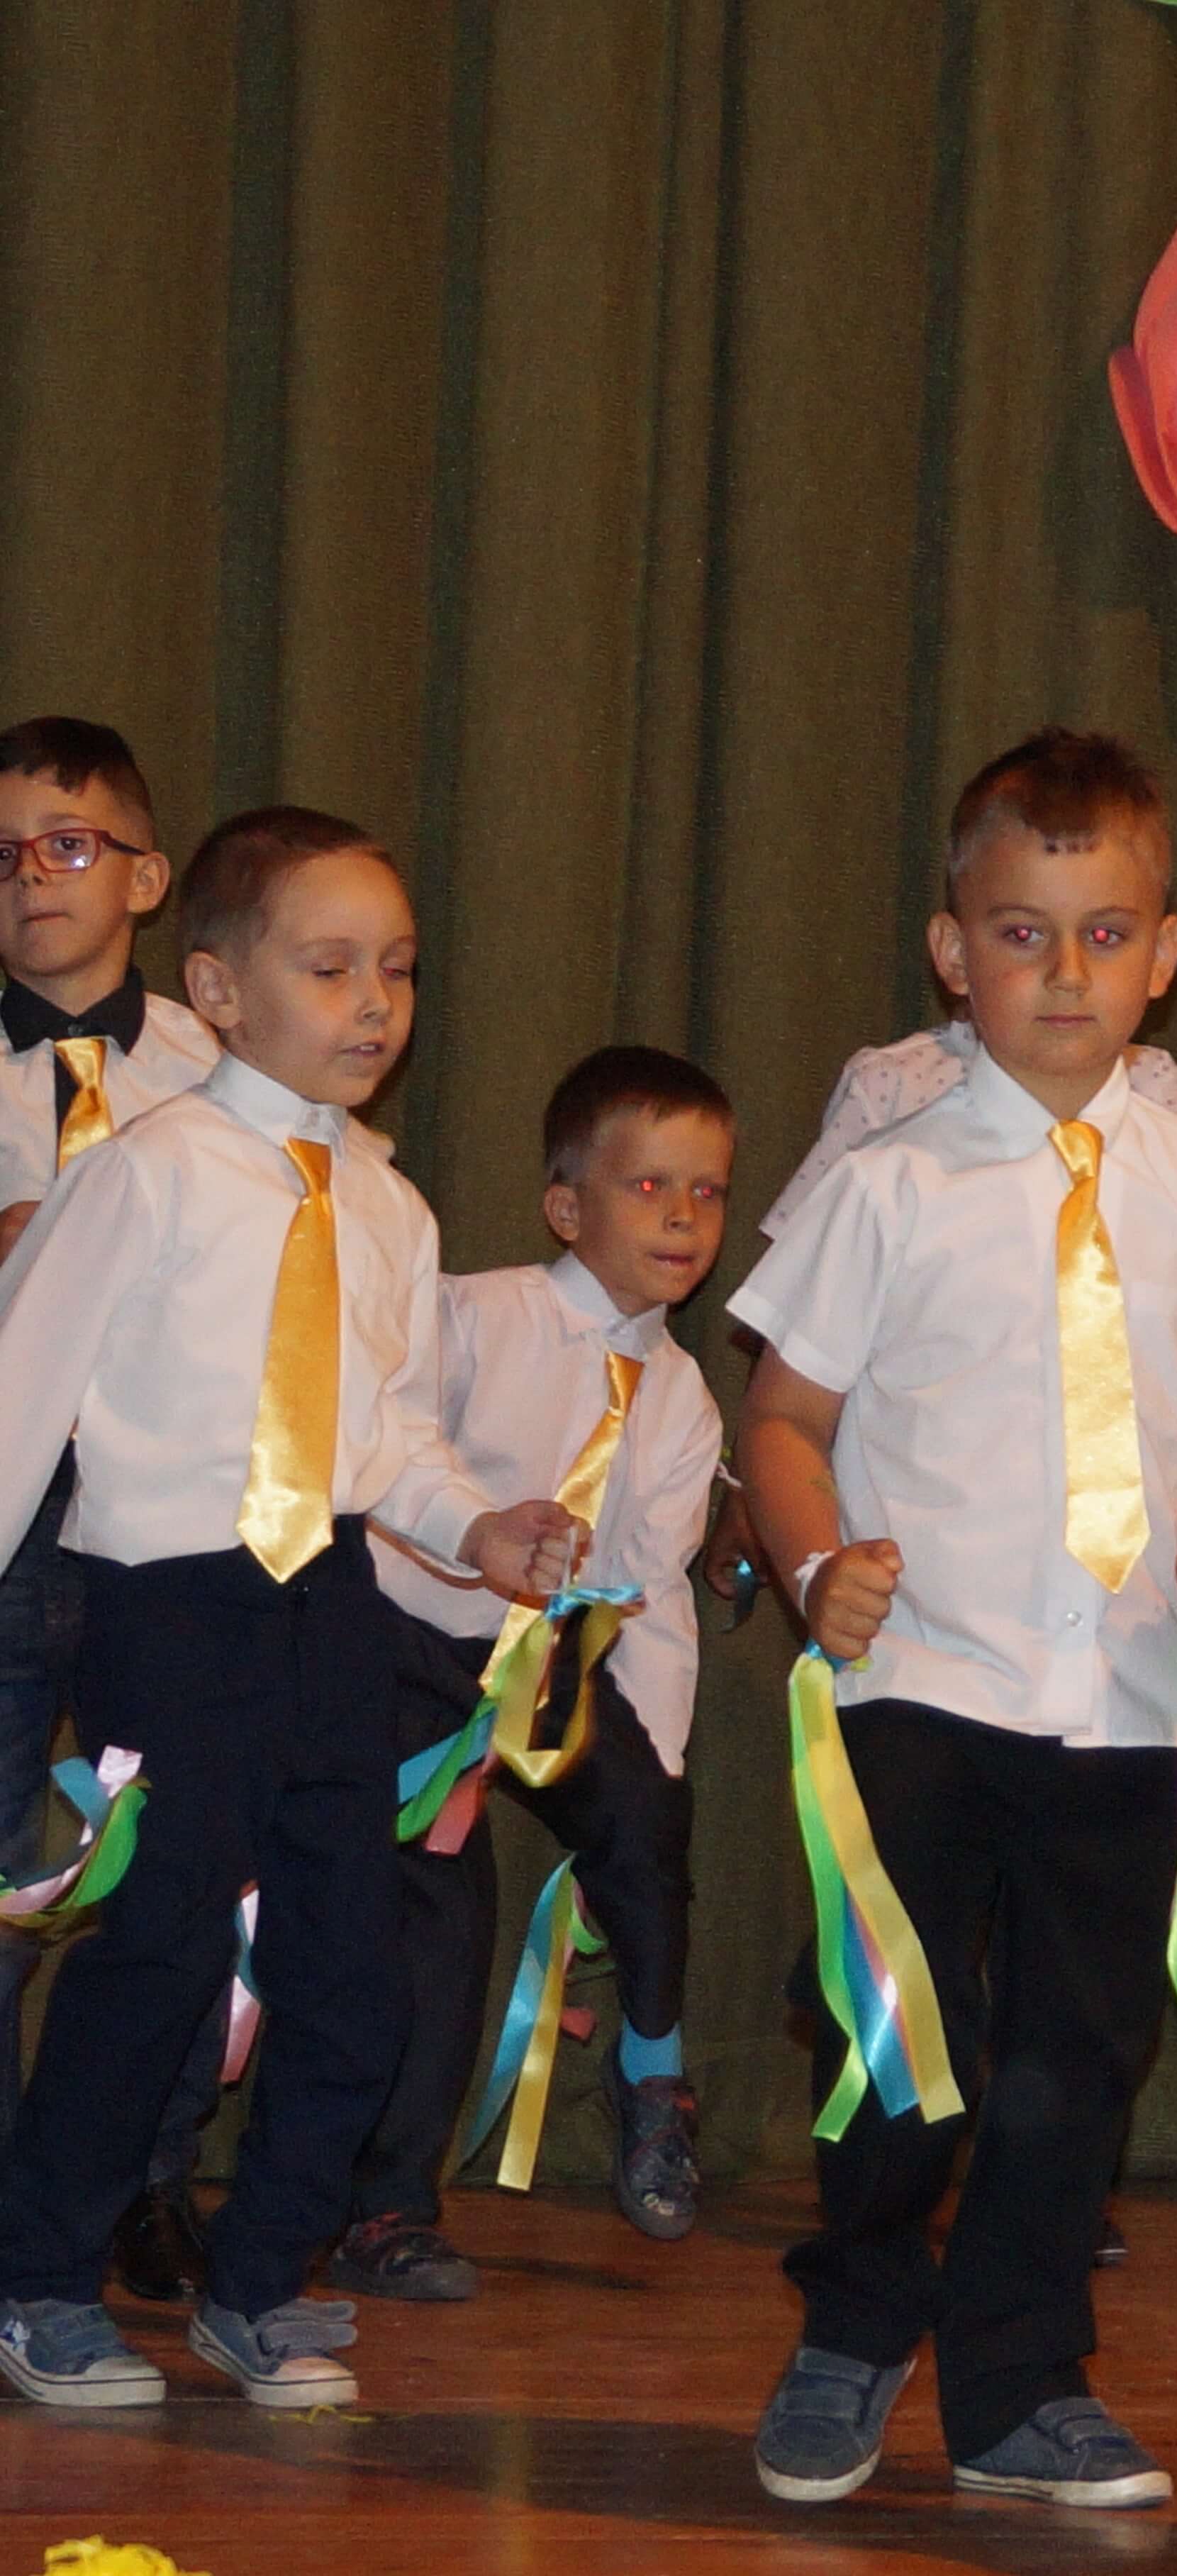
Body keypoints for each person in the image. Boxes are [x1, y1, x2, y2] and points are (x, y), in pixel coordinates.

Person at [732, 730, 1177, 2513]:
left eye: (1105, 934)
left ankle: (1019, 2383)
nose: (1065, 972)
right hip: (922, 1680)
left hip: (1117, 1696)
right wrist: (818, 1564)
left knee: (1075, 2057)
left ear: (1163, 953)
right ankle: (853, 2323)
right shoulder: (885, 1184)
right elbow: (780, 1416)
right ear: (951, 950)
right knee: (904, 2040)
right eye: (1022, 933)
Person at [0, 808, 582, 2410]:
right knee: (162, 1943)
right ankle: (40, 2278)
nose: (373, 1001)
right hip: (167, 1603)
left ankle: (261, 2282)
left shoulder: (388, 1209)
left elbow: (387, 1436)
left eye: (396, 968)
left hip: (327, 1597)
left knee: (349, 1961)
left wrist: (481, 1527)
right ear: (219, 989)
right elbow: (22, 1392)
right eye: (329, 967)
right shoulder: (146, 1173)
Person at [327, 1046, 735, 2300]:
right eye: (649, 1186)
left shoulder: (684, 1399)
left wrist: (653, 1752)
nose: (682, 1216)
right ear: (567, 1207)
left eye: (709, 1191)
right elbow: (385, 1468)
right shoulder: (473, 1315)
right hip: (419, 1647)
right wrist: (474, 1537)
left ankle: (652, 2076)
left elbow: (652, 1588)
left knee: (649, 1834)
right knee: (438, 1922)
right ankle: (390, 2207)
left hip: (559, 1657)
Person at [0, 716, 230, 2290]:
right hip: (15, 1517)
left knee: (176, 1860)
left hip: (164, 1511)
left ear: (145, 878)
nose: (34, 876)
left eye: (70, 844)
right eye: (6, 853)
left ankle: (143, 2178)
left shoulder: (222, 1067)